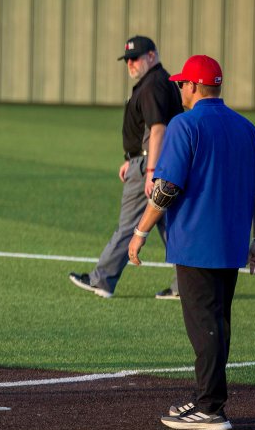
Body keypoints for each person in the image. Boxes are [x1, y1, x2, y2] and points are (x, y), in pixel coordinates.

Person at [129, 54, 255, 430]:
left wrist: (141, 231)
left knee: (204, 326)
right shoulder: (245, 127)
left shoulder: (185, 124)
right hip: (231, 243)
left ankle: (210, 407)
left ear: (194, 86)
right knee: (218, 324)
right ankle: (208, 398)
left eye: (182, 84)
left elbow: (167, 187)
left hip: (195, 243)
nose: (179, 89)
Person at [69, 36, 183, 299]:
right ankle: (186, 285)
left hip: (150, 165)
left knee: (130, 224)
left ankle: (102, 280)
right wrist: (131, 158)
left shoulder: (153, 84)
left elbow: (157, 129)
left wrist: (150, 170)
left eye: (135, 58)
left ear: (151, 56)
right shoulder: (158, 81)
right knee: (169, 226)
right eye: (127, 60)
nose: (130, 64)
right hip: (153, 161)